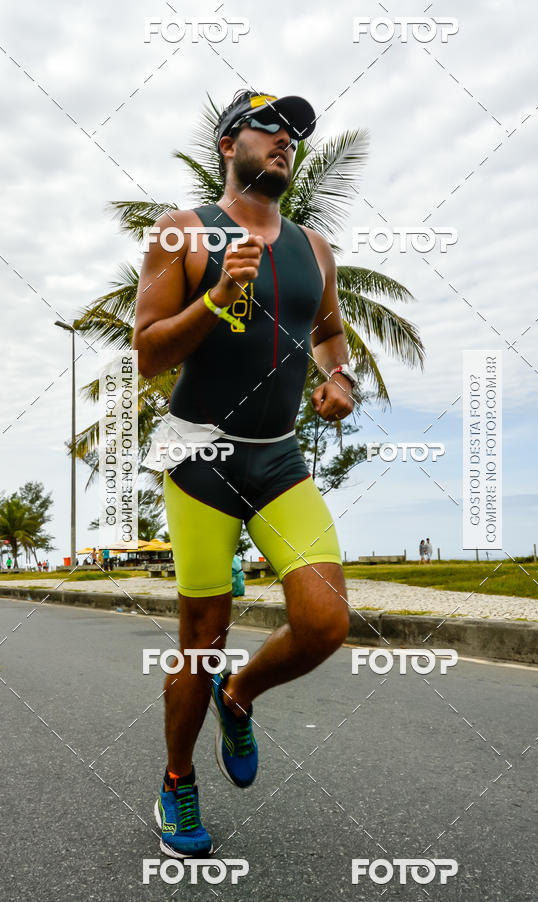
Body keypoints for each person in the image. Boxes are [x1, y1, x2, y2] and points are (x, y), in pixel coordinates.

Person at [133, 89, 357, 858]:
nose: (287, 140)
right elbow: (149, 353)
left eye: (296, 133)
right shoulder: (182, 234)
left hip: (278, 455)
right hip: (200, 454)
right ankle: (176, 782)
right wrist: (220, 294)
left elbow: (328, 331)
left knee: (326, 620)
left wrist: (340, 379)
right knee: (202, 637)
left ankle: (242, 694)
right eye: (271, 127)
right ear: (230, 144)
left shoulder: (314, 247)